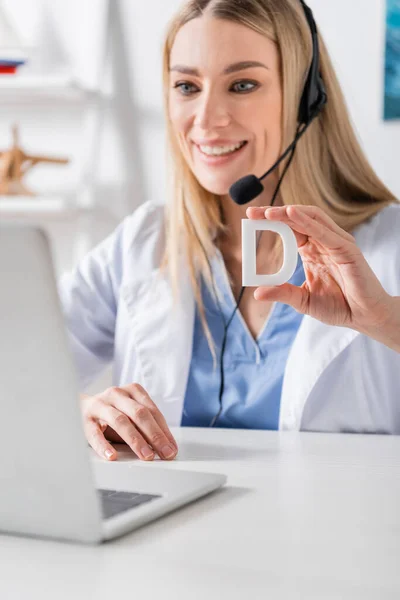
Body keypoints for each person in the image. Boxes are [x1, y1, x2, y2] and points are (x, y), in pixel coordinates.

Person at [59, 0, 400, 463]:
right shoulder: (144, 240)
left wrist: (385, 319)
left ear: (307, 99)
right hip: (170, 532)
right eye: (186, 86)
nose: (206, 118)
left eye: (242, 84)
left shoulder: (390, 245)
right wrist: (77, 411)